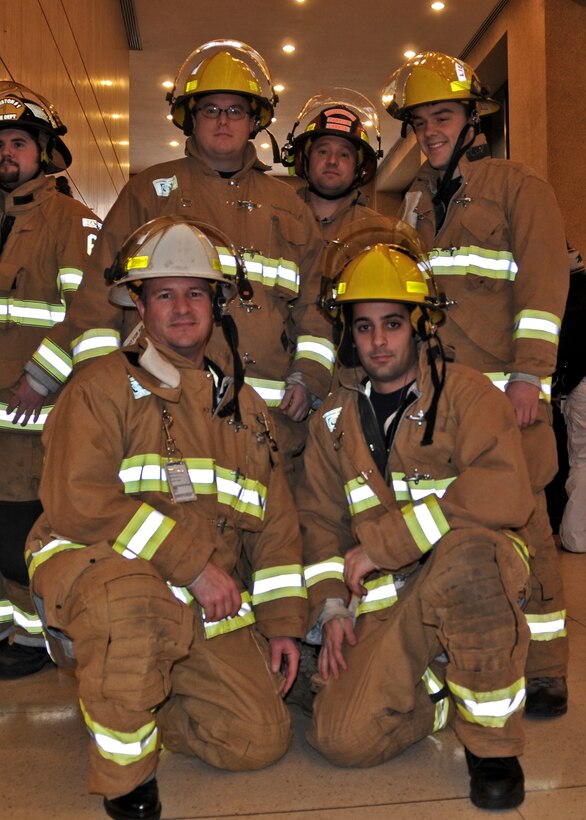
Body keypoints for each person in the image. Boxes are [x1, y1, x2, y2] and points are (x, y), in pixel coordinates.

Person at [25, 216, 307, 820]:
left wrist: (283, 623)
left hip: (196, 603)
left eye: (196, 292)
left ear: (217, 305)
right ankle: (127, 778)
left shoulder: (245, 409)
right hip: (108, 578)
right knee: (128, 605)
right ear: (140, 306)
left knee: (258, 740)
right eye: (164, 293)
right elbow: (78, 501)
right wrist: (196, 565)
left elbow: (277, 526)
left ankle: (133, 696)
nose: (181, 308)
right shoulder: (101, 387)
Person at [297, 225, 535, 810]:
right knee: (338, 738)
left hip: (469, 578)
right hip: (390, 607)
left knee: (469, 556)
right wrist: (330, 609)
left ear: (420, 324)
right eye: (364, 326)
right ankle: (440, 688)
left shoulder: (470, 395)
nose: (379, 342)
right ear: (349, 337)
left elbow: (508, 489)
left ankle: (492, 749)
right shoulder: (331, 422)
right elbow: (320, 527)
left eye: (393, 323)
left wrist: (389, 542)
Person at [382, 51, 570, 717]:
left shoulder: (521, 188)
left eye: (441, 116)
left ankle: (546, 669)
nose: (429, 130)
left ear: (471, 119)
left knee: (528, 527)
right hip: (444, 407)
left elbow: (546, 289)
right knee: (455, 524)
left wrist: (529, 376)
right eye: (418, 121)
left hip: (508, 399)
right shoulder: (418, 210)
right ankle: (463, 652)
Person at [53, 39, 334, 478]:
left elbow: (316, 305)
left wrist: (310, 376)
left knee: (269, 534)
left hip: (269, 419)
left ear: (254, 121)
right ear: (191, 119)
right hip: (162, 408)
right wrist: (106, 390)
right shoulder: (149, 191)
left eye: (236, 111)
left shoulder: (291, 206)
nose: (223, 121)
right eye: (211, 110)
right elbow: (96, 301)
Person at [0, 82, 101, 677]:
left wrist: (44, 379)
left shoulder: (71, 222)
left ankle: (37, 638)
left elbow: (88, 321)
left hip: (33, 416)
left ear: (43, 151)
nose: (6, 154)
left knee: (22, 534)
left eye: (17, 142)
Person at [282, 88, 387, 239]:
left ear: (360, 167)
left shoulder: (378, 232)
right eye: (323, 151)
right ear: (303, 159)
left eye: (344, 155)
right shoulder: (276, 219)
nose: (332, 161)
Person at [557, 245, 586, 553]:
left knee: (581, 462)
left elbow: (566, 350)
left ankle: (576, 538)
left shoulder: (570, 300)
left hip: (582, 387)